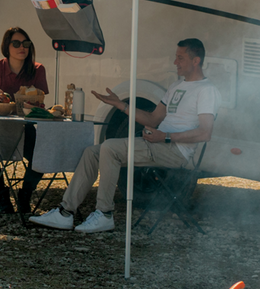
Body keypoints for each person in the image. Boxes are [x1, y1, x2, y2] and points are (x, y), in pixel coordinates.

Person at [31, 38, 216, 234]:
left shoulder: (207, 90)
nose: (175, 63)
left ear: (196, 61)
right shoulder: (176, 86)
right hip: (160, 143)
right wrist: (121, 105)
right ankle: (65, 212)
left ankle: (104, 213)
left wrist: (166, 136)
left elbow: (205, 132)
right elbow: (153, 119)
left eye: (180, 58)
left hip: (177, 151)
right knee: (92, 152)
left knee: (110, 148)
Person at [0, 27, 51, 215]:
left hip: (26, 127)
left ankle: (24, 195)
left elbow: (41, 103)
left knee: (43, 154)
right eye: (16, 43)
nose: (22, 48)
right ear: (6, 47)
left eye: (26, 43)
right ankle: (3, 197)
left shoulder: (37, 69)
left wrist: (32, 102)